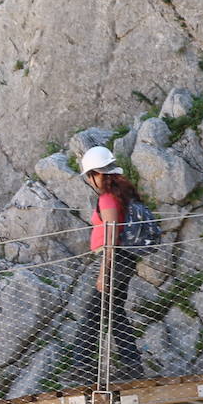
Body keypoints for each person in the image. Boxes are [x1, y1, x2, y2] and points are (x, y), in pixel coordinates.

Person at [67, 146, 144, 384]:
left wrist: (104, 273)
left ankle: (82, 367)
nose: (91, 181)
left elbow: (110, 237)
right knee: (114, 312)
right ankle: (132, 366)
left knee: (92, 313)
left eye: (91, 176)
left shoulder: (108, 198)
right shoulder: (121, 194)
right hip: (124, 259)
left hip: (116, 260)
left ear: (96, 174)